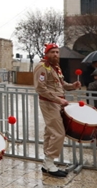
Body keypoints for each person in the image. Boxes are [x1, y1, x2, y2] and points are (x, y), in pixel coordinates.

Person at [34, 43, 82, 178]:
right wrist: (58, 100)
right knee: (58, 133)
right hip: (49, 103)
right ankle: (49, 163)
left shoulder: (56, 68)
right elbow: (40, 88)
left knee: (51, 132)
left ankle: (47, 163)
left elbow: (61, 85)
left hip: (57, 103)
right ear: (47, 53)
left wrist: (73, 86)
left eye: (57, 52)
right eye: (52, 52)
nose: (55, 54)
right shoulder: (42, 67)